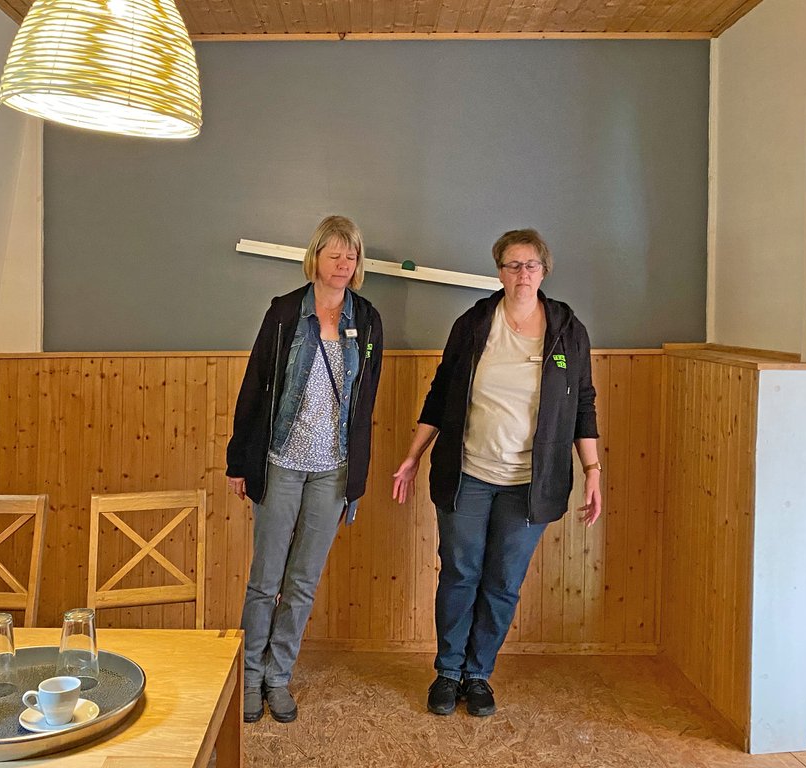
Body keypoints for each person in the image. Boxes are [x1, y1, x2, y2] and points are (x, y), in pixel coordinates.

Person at [392, 228, 602, 717]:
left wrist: (592, 470)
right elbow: (441, 394)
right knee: (460, 573)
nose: (522, 273)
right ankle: (448, 672)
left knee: (503, 581)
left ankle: (478, 673)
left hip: (530, 484)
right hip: (468, 474)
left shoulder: (568, 330)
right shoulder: (473, 324)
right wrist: (413, 454)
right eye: (513, 265)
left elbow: (583, 404)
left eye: (531, 265)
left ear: (544, 271)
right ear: (500, 272)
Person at [227, 215, 384, 724]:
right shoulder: (284, 313)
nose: (343, 264)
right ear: (315, 256)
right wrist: (238, 460)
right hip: (280, 464)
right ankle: (249, 678)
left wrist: (357, 476)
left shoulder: (368, 320)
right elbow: (254, 386)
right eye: (334, 254)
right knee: (265, 580)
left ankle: (278, 677)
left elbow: (365, 403)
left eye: (351, 256)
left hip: (332, 471)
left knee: (302, 583)